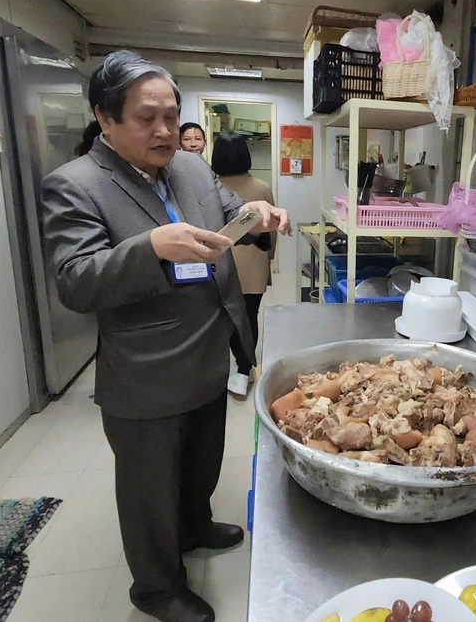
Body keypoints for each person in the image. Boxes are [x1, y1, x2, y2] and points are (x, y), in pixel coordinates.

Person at [39, 50, 290, 622]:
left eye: (172, 116)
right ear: (104, 118)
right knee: (149, 490)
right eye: (146, 117)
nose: (165, 131)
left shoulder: (192, 168)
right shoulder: (74, 185)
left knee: (202, 463)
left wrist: (256, 212)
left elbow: (230, 213)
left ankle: (195, 526)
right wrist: (149, 249)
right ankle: (157, 588)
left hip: (210, 348)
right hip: (147, 368)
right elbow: (75, 282)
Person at [211, 131, 274, 398]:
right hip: (254, 264)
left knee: (227, 319)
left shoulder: (210, 188)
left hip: (221, 263)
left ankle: (242, 367)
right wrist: (268, 262)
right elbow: (269, 232)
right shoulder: (261, 187)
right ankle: (245, 367)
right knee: (249, 317)